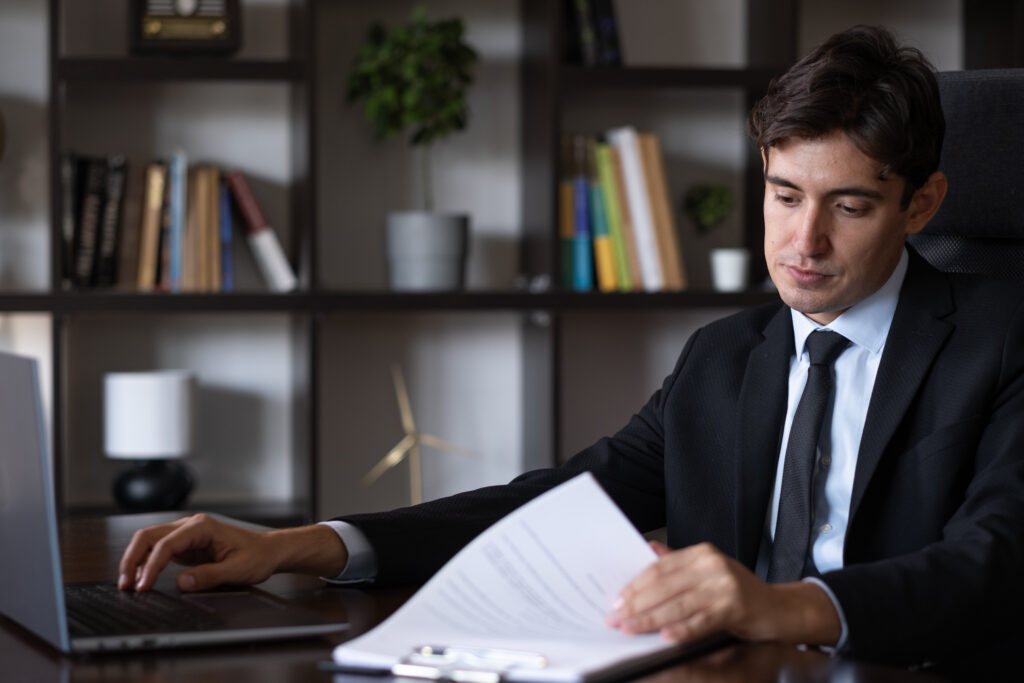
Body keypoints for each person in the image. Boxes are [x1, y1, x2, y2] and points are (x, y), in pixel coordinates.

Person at [118, 25, 1024, 667]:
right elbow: (557, 501)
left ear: (924, 204)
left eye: (849, 207)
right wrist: (298, 544)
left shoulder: (1002, 337)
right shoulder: (724, 355)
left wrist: (782, 606)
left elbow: (996, 560)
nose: (803, 243)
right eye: (785, 196)